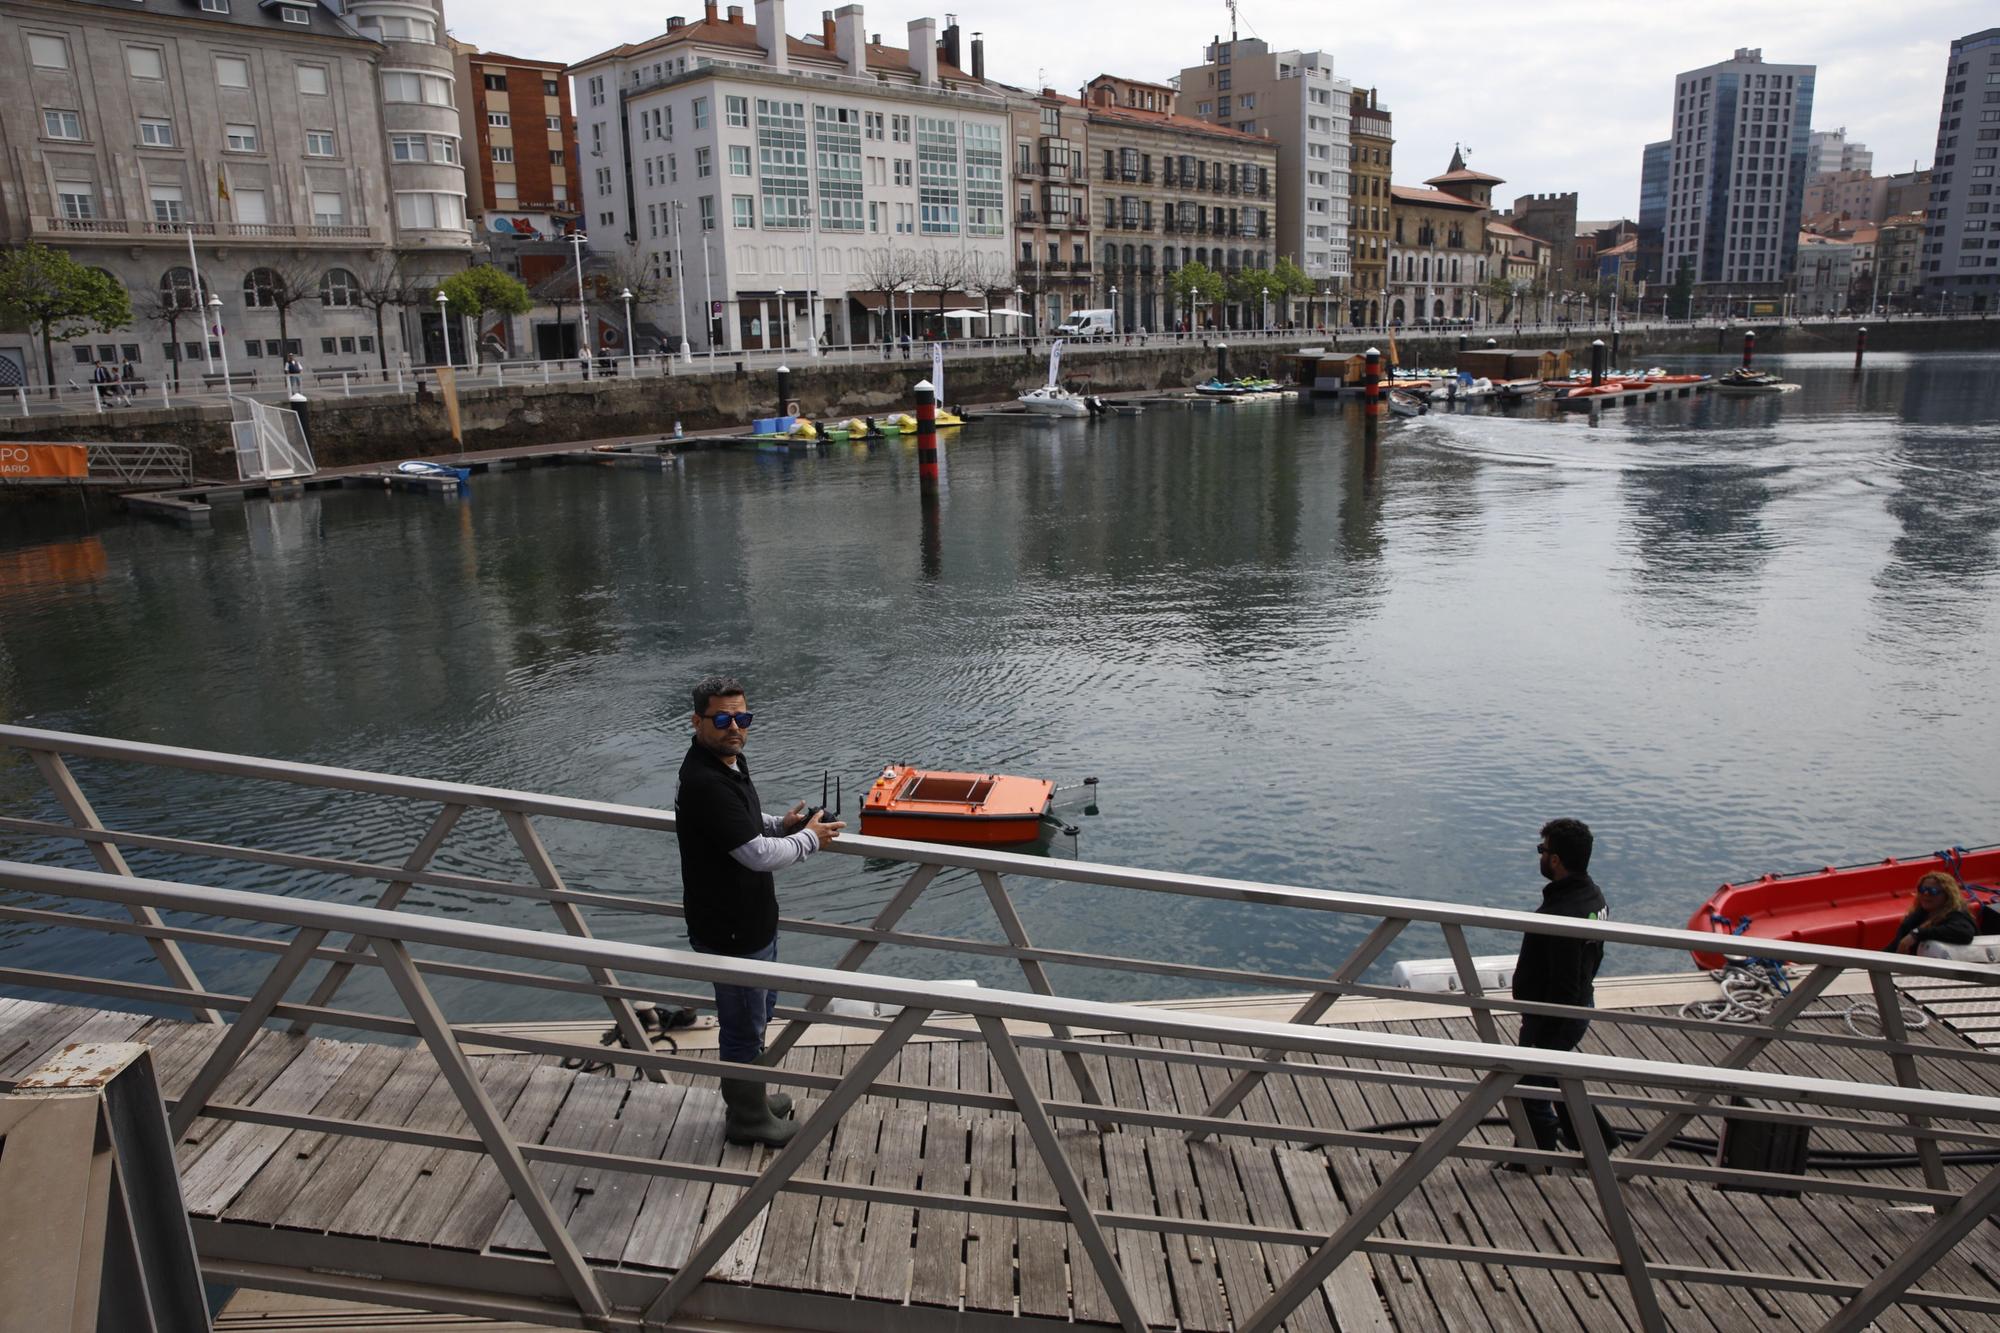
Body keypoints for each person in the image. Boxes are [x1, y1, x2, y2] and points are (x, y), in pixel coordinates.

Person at [674, 675, 843, 1146]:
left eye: (742, 717)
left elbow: (744, 826)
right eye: (723, 718)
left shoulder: (728, 762)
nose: (735, 727)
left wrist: (781, 823)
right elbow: (756, 855)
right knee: (744, 1026)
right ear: (697, 721)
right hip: (731, 931)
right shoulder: (705, 781)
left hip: (751, 923)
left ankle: (753, 1100)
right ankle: (748, 1120)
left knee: (759, 1011)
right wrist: (810, 838)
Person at [1510, 817, 1617, 1160]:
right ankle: (1596, 1142)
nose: (1540, 856)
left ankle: (1534, 1161)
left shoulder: (1561, 915)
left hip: (1553, 1016)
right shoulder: (1594, 898)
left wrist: (1546, 1033)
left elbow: (1564, 985)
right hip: (1577, 1008)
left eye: (1542, 850)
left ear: (1555, 859)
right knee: (1556, 1079)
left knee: (1530, 1088)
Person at [1887, 872, 1977, 955]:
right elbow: (1894, 947)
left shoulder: (1956, 915)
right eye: (1922, 889)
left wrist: (1916, 934)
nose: (1926, 894)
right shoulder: (1917, 917)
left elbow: (1964, 932)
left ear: (1947, 895)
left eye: (1932, 891)